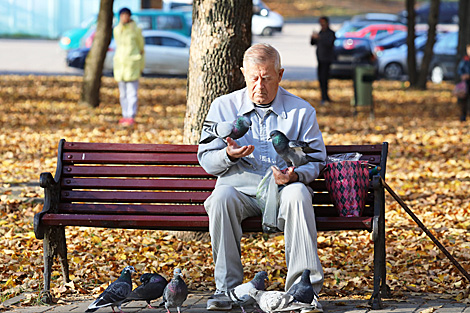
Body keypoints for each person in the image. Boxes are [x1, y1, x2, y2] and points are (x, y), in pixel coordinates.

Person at [198, 43, 327, 312]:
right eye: (254, 78)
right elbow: (206, 160)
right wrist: (228, 157)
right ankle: (227, 289)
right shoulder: (223, 107)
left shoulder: (301, 111)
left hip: (283, 191)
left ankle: (303, 292)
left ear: (280, 75)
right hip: (240, 190)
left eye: (267, 78)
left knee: (299, 193)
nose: (260, 86)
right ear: (243, 73)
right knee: (220, 197)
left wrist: (295, 175)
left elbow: (316, 160)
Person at [113, 7, 145, 126]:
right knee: (123, 94)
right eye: (122, 15)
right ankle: (124, 114)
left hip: (132, 65)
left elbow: (141, 48)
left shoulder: (136, 29)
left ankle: (131, 115)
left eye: (126, 15)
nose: (124, 18)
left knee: (132, 93)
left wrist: (141, 64)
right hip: (120, 66)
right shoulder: (117, 29)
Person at [310, 16, 336, 106]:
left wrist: (319, 38)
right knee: (321, 79)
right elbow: (313, 43)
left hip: (327, 59)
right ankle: (323, 97)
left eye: (323, 23)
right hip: (320, 59)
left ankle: (325, 97)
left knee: (325, 79)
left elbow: (329, 43)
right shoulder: (320, 32)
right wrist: (313, 37)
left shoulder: (330, 33)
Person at [457, 43, 470, 122]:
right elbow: (460, 70)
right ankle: (463, 115)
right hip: (466, 83)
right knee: (463, 100)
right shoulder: (465, 60)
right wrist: (463, 75)